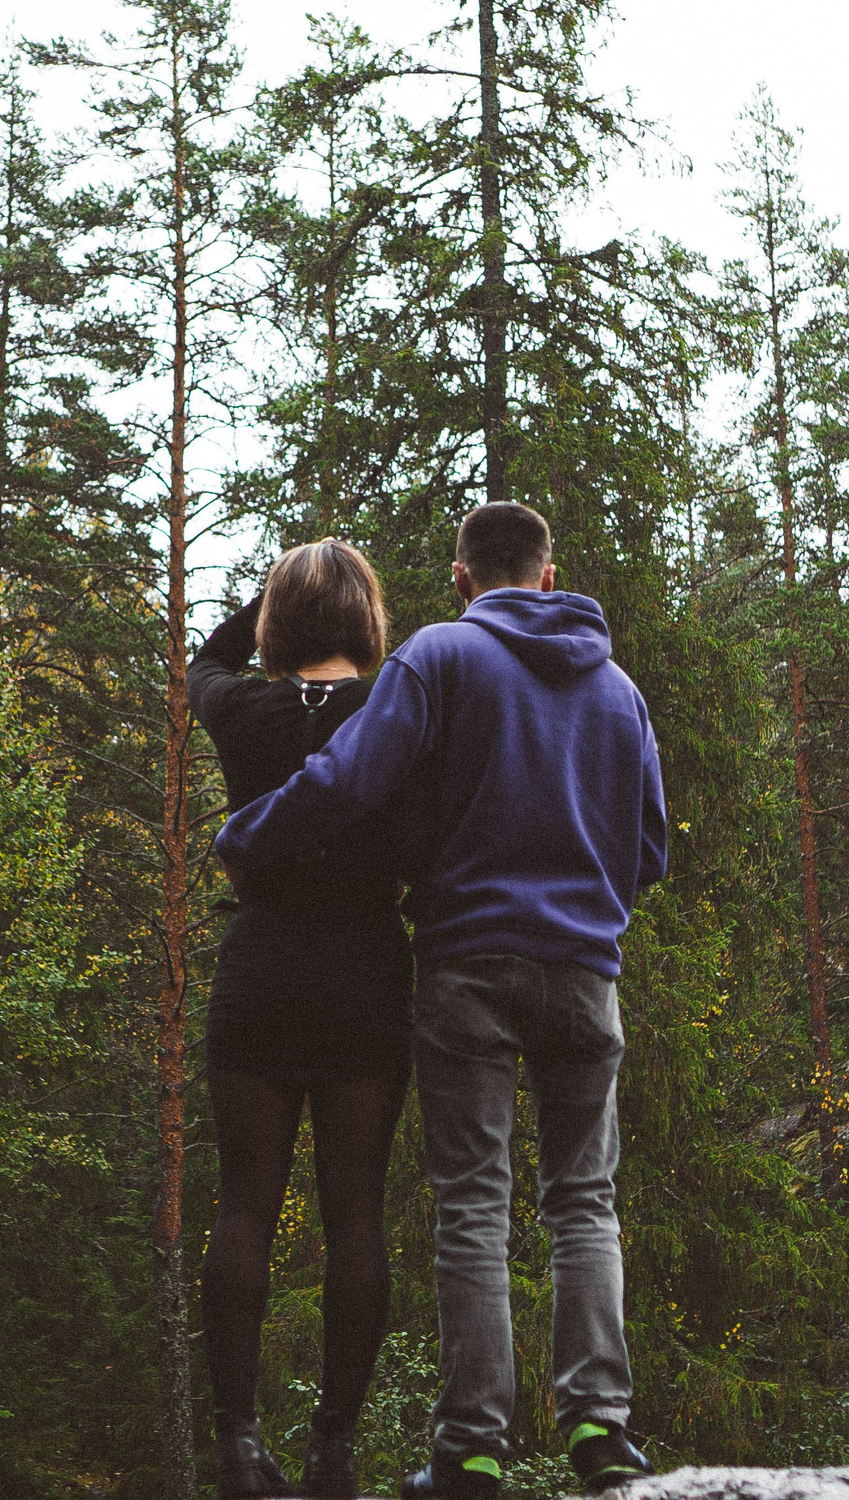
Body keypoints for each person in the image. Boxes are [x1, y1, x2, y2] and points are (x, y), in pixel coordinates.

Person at [215, 502, 665, 1498]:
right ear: (548, 577)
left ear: (463, 578)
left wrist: (247, 837)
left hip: (465, 963)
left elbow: (347, 780)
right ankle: (599, 1429)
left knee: (473, 1201)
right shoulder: (619, 691)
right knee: (583, 1198)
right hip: (584, 973)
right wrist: (587, 909)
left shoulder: (440, 656)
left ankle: (470, 1449)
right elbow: (649, 848)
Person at [189, 539, 416, 1499]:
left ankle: (239, 1449)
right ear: (365, 624)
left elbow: (206, 658)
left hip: (261, 973)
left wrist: (276, 601)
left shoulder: (242, 708)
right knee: (354, 1211)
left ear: (279, 626)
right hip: (365, 975)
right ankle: (334, 1449)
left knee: (245, 1208)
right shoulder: (394, 710)